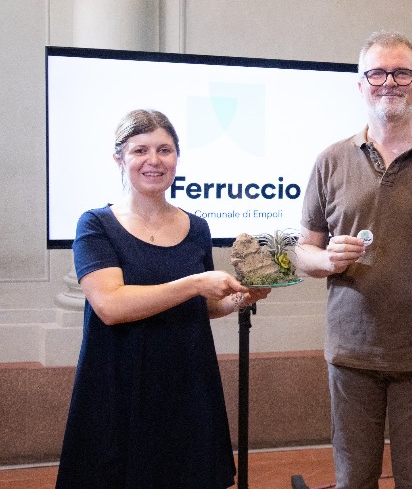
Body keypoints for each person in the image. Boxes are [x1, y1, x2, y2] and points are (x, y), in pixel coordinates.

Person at [295, 31, 412, 488]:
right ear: (360, 84)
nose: (389, 83)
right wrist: (326, 260)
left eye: (402, 73)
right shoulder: (330, 161)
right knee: (354, 480)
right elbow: (302, 252)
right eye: (377, 73)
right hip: (351, 354)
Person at [56, 109, 271, 489]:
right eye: (140, 150)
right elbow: (110, 306)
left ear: (176, 158)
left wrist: (241, 298)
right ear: (119, 159)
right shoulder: (95, 225)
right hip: (120, 386)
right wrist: (195, 283)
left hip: (187, 385)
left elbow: (200, 306)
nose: (153, 160)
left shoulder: (197, 227)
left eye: (164, 150)